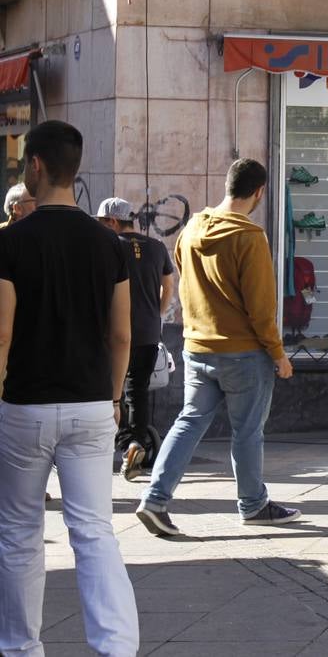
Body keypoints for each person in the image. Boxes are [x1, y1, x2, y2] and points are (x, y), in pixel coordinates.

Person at [0, 120, 139, 656]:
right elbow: (121, 333)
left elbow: (3, 332)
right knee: (95, 531)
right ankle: (116, 648)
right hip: (90, 405)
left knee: (17, 533)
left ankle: (20, 649)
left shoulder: (10, 244)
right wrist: (112, 396)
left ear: (35, 165)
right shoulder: (110, 246)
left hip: (25, 407)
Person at [136, 158, 301, 536]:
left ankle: (155, 499)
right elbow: (261, 308)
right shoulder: (249, 236)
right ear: (259, 193)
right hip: (243, 352)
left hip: (196, 347)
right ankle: (253, 505)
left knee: (189, 422)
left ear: (229, 185)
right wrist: (278, 354)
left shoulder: (193, 227)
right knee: (247, 431)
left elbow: (180, 272)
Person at [96, 197, 175, 482]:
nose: (102, 227)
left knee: (109, 391)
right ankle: (135, 444)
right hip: (148, 331)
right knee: (137, 390)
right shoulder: (156, 247)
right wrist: (160, 311)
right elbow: (169, 283)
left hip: (113, 333)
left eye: (103, 222)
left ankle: (105, 447)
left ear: (114, 222)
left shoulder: (109, 246)